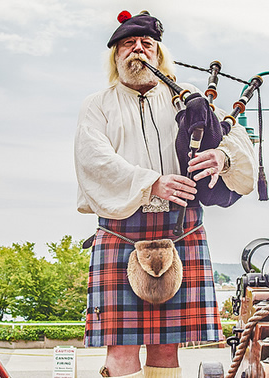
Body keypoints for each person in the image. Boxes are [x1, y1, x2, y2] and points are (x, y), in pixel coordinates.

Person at [74, 10, 256, 378]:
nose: (137, 50)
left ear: (159, 54)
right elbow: (93, 159)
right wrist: (151, 182)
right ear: (116, 56)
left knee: (166, 350)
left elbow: (236, 138)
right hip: (121, 228)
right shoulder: (97, 105)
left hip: (180, 227)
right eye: (128, 44)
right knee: (120, 351)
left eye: (146, 44)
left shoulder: (186, 100)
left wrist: (221, 156)